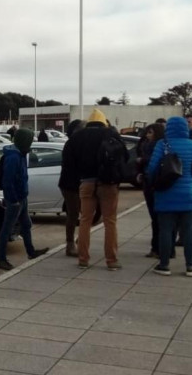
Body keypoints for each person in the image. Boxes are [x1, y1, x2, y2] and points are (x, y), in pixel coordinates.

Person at [147, 117, 192, 277]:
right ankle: (190, 266)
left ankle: (164, 265)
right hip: (188, 194)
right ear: (185, 128)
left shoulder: (162, 144)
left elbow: (152, 168)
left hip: (165, 194)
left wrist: (156, 182)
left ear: (169, 128)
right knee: (189, 231)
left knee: (166, 230)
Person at [64, 108, 128, 270]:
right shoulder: (110, 134)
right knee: (110, 221)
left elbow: (69, 162)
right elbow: (124, 156)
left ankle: (83, 258)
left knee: (85, 220)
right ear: (103, 121)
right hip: (108, 183)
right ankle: (111, 260)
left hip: (86, 182)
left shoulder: (77, 137)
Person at [0, 128, 49, 270]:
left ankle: (31, 252)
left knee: (26, 225)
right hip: (16, 200)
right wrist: (13, 200)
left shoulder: (20, 153)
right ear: (23, 141)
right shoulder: (13, 157)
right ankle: (1, 259)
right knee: (7, 229)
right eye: (30, 140)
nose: (31, 143)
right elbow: (8, 182)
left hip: (22, 197)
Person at [137, 123, 170, 259]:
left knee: (156, 218)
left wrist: (142, 161)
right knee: (164, 219)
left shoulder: (154, 146)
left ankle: (157, 248)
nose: (147, 135)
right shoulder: (167, 145)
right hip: (163, 183)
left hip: (152, 183)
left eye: (150, 132)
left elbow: (152, 164)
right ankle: (165, 248)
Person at [58, 119, 85, 257]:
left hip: (77, 183)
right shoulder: (71, 144)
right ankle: (70, 244)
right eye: (82, 128)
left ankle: (80, 240)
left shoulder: (78, 144)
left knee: (84, 213)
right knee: (73, 214)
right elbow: (71, 166)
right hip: (70, 184)